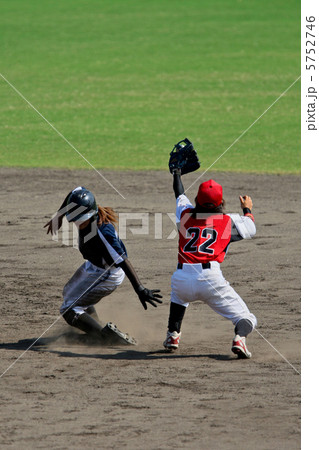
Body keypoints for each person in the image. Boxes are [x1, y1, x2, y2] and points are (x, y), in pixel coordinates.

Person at [44, 186, 162, 344]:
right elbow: (75, 192)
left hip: (107, 273)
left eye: (80, 218)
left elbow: (123, 260)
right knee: (68, 294)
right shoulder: (87, 214)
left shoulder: (103, 232)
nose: (78, 222)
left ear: (91, 213)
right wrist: (59, 215)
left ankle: (104, 337)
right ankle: (97, 327)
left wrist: (139, 289)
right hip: (94, 266)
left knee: (68, 308)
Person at [163, 170, 257, 358]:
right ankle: (239, 338)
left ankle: (173, 334)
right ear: (221, 203)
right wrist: (247, 209)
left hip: (181, 278)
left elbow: (179, 195)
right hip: (210, 280)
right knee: (247, 318)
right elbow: (250, 228)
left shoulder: (184, 214)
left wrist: (176, 174)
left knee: (179, 297)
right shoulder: (228, 221)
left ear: (197, 200)